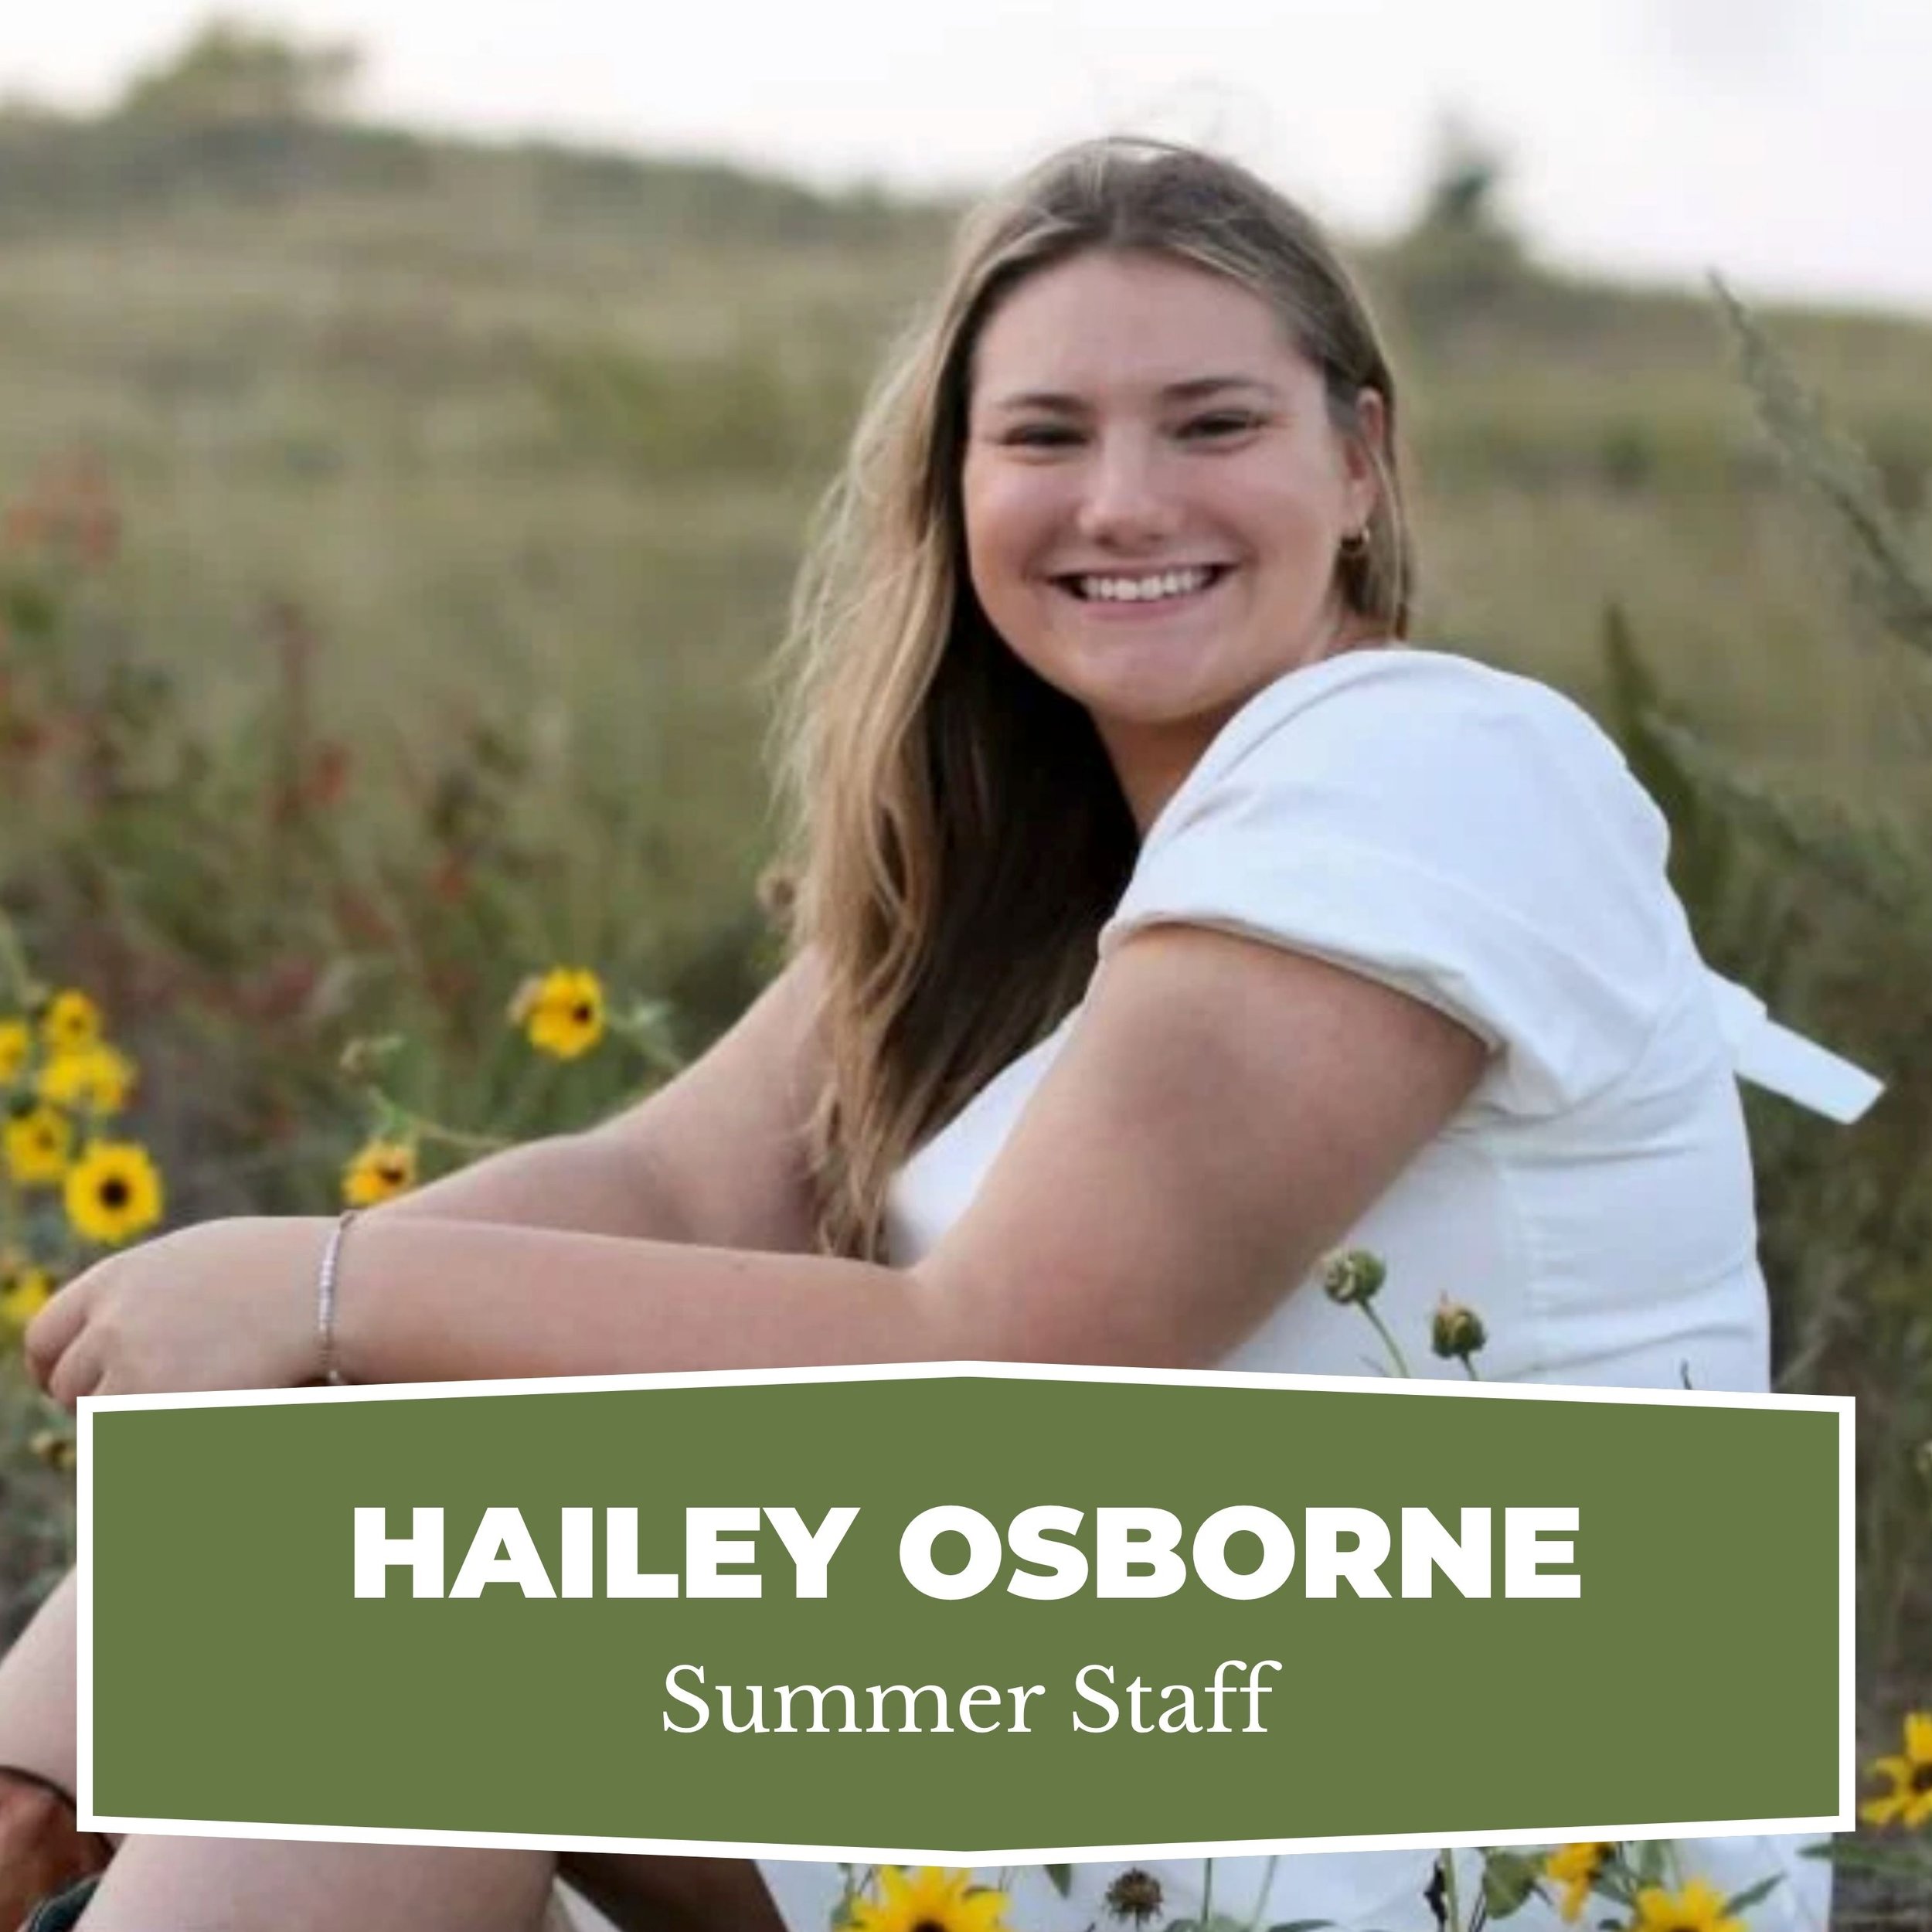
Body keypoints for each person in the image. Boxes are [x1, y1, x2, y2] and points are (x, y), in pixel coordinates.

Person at [0, 135, 1863, 1931]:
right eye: (1042, 435)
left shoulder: (1425, 772)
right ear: (955, 488)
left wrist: (321, 1294)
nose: (1120, 501)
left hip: (1490, 1798)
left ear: (1360, 460)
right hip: (1139, 1707)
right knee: (404, 1584)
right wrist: (158, 1553)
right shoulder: (1034, 870)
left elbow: (1002, 1356)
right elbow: (659, 1188)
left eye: (1211, 424)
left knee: (420, 1627)